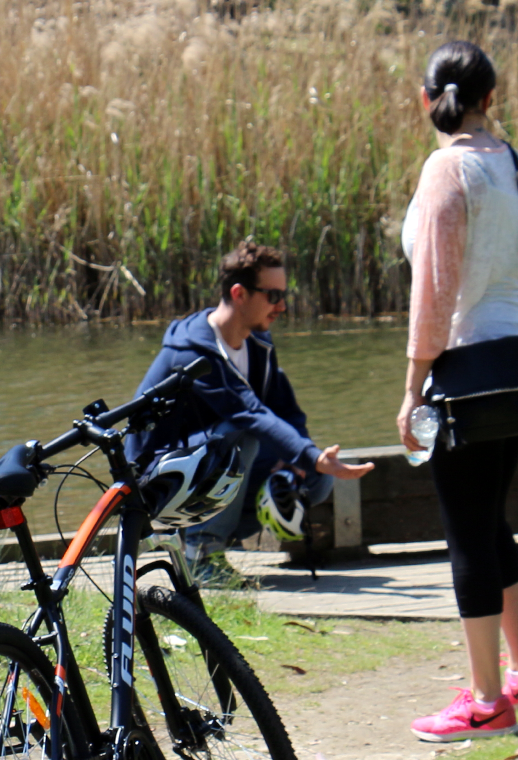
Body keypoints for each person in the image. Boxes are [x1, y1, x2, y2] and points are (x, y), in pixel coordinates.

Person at [397, 39, 518, 742]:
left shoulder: (445, 170)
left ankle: (488, 702)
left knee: (467, 532)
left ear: (427, 100)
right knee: (492, 521)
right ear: (491, 98)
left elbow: (434, 293)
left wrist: (411, 390)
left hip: (464, 371)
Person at [132, 242, 373, 585]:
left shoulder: (258, 343)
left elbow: (285, 410)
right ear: (239, 293)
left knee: (316, 479)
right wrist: (312, 456)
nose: (282, 306)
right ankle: (201, 555)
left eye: (283, 295)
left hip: (203, 467)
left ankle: (215, 539)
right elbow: (250, 414)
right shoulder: (193, 353)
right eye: (273, 295)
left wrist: (305, 459)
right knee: (240, 435)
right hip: (158, 480)